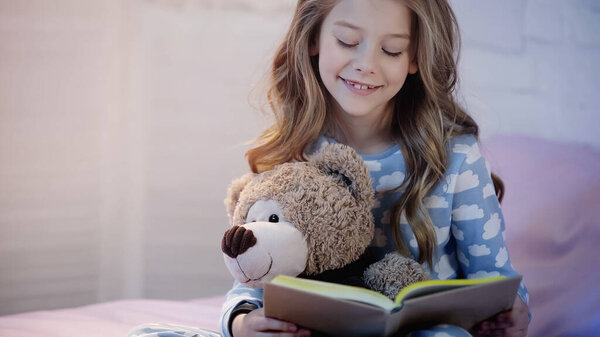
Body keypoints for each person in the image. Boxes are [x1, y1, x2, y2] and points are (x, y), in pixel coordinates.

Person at [128, 0, 530, 337]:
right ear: (315, 39)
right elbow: (251, 277)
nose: (366, 64)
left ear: (415, 59)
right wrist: (242, 322)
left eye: (391, 50)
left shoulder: (456, 157)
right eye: (347, 41)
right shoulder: (294, 153)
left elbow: (498, 282)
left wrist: (514, 314)